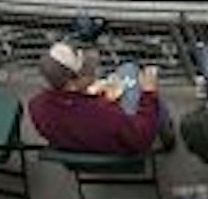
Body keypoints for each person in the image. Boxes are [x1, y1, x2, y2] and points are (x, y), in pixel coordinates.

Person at [28, 43, 171, 155]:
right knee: (133, 74)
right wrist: (149, 94)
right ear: (71, 84)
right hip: (118, 151)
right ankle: (167, 137)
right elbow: (141, 139)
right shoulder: (106, 114)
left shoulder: (35, 106)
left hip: (80, 146)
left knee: (127, 69)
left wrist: (94, 97)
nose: (94, 73)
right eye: (87, 72)